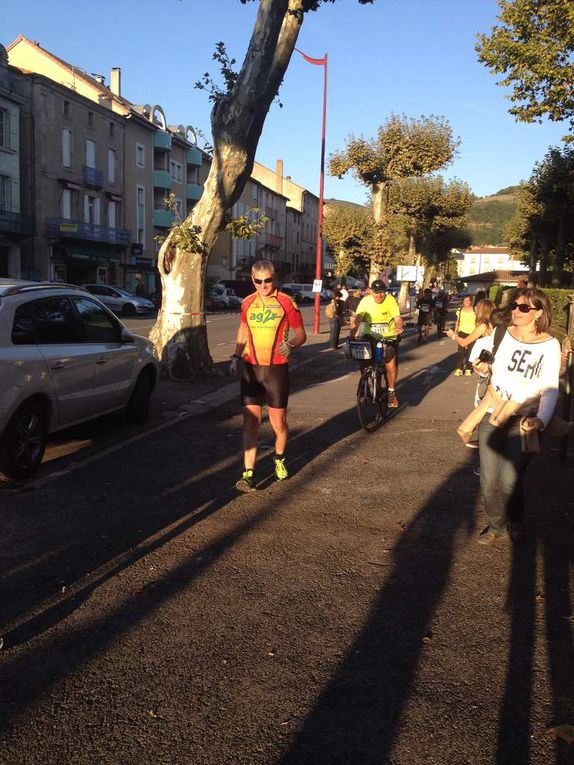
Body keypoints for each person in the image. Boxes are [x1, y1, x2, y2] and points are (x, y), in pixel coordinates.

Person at [471, 288, 562, 545]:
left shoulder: (550, 344)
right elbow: (485, 364)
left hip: (524, 418)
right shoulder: (501, 333)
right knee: (489, 481)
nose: (516, 311)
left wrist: (541, 421)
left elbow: (550, 389)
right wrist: (481, 367)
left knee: (510, 478)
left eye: (524, 308)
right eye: (515, 305)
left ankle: (516, 519)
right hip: (494, 414)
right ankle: (497, 524)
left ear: (539, 313)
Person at [230, 260, 307, 492]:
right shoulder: (247, 303)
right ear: (252, 280)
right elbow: (243, 328)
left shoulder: (286, 303)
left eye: (268, 280)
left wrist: (291, 345)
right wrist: (235, 355)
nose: (263, 285)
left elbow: (301, 334)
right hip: (251, 368)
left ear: (275, 279)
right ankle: (248, 473)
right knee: (250, 423)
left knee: (278, 423)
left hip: (276, 370)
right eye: (258, 281)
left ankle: (279, 458)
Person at [350, 279, 404, 408]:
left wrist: (398, 327)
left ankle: (391, 391)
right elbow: (358, 318)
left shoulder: (390, 300)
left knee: (390, 364)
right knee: (363, 359)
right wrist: (353, 333)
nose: (379, 296)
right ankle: (366, 383)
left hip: (388, 336)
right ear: (371, 292)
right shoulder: (366, 301)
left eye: (382, 293)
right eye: (376, 293)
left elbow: (398, 318)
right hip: (370, 335)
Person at [453, 295, 477, 376]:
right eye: (465, 301)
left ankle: (468, 368)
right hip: (462, 332)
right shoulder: (460, 310)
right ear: (462, 302)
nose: (466, 302)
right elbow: (457, 322)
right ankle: (459, 368)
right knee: (461, 351)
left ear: (471, 301)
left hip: (472, 333)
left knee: (470, 351)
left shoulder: (475, 310)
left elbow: (478, 321)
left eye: (468, 300)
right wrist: (455, 332)